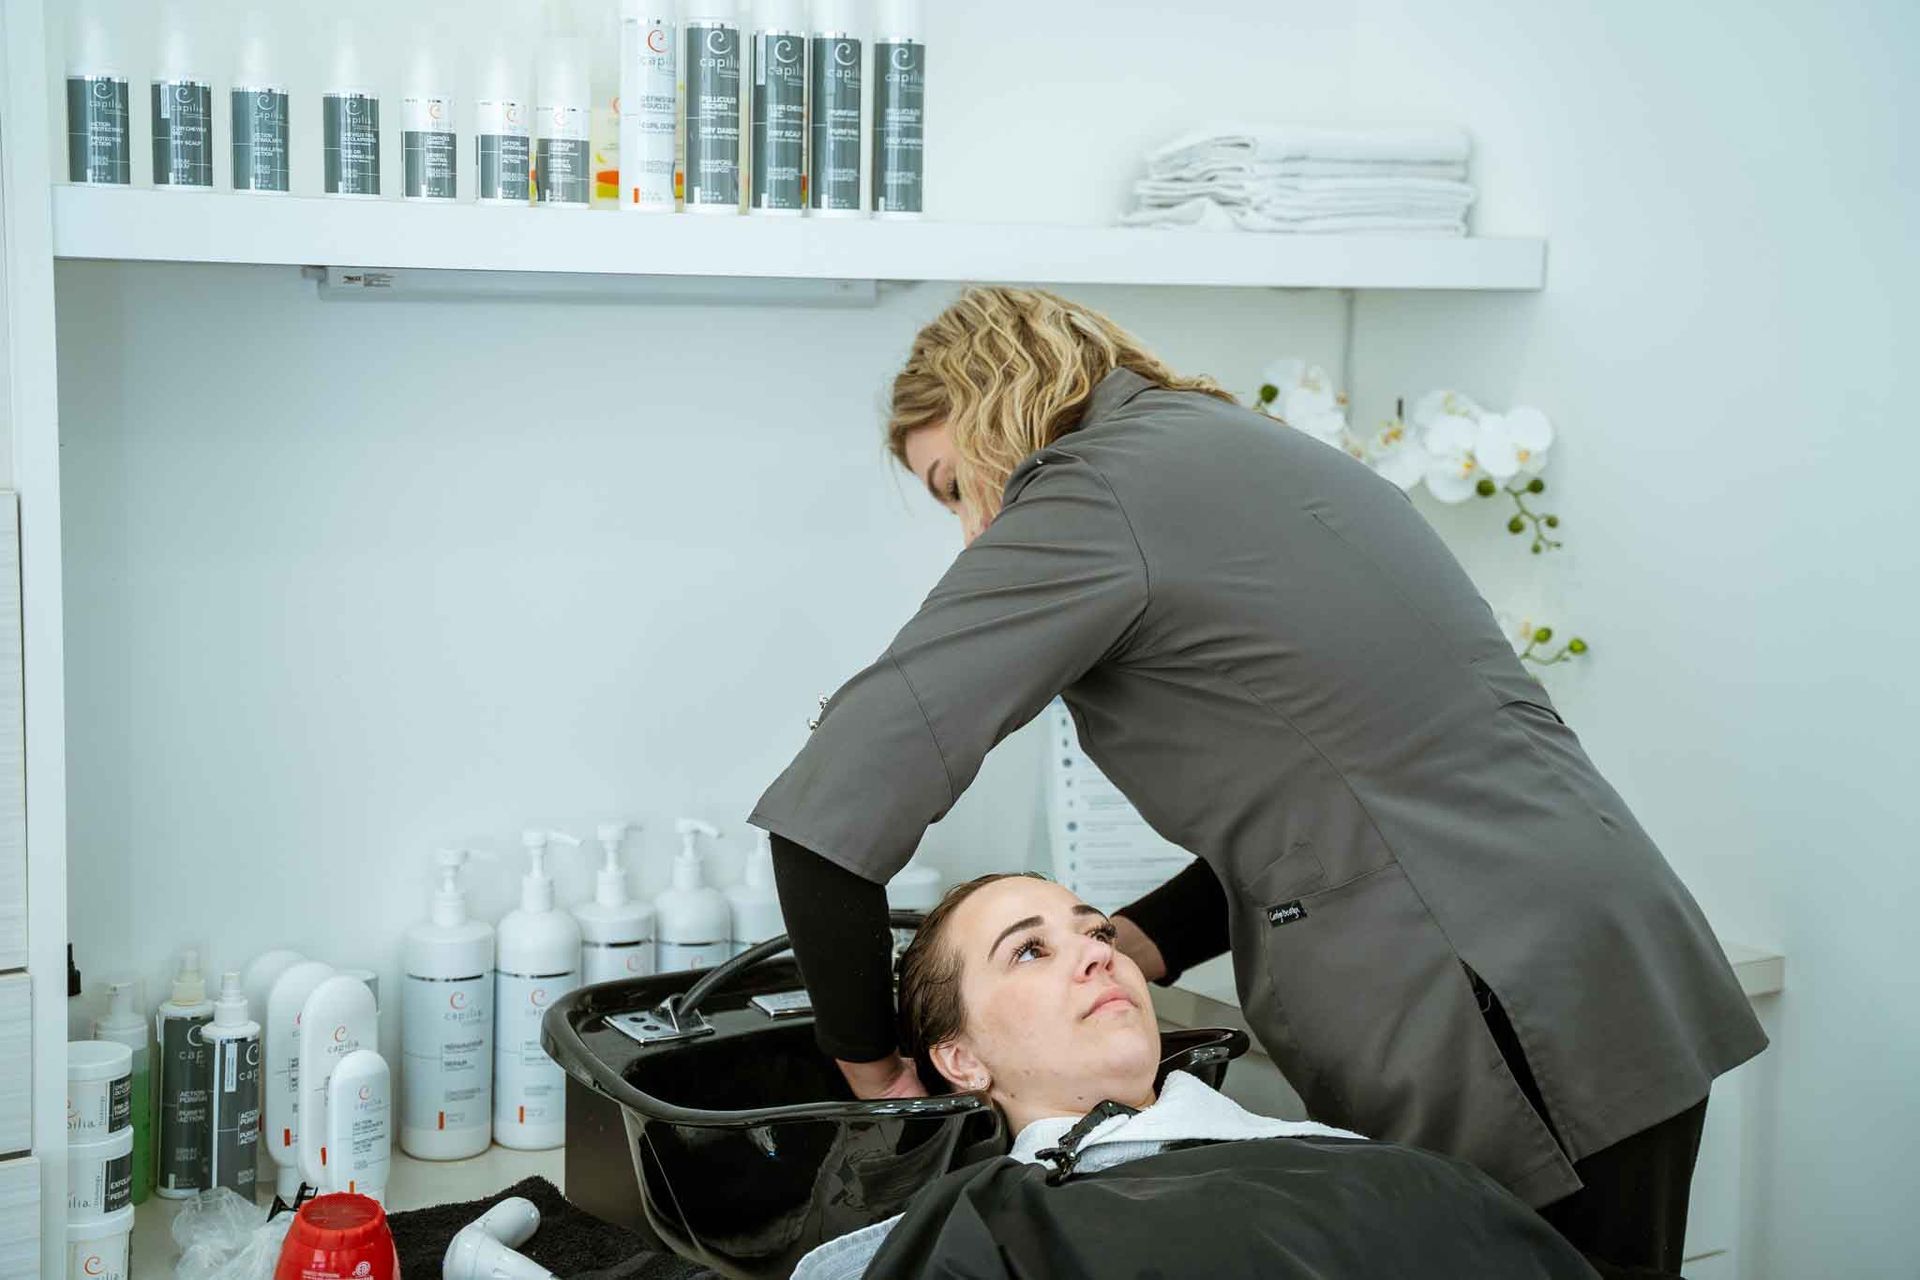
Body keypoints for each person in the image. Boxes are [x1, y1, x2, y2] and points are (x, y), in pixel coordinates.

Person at [753, 286, 1767, 1273]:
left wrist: (872, 1069)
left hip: (1486, 1001)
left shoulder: (1089, 489)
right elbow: (1340, 796)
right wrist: (1125, 944)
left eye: (952, 486)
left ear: (994, 411)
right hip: (1607, 943)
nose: (973, 531)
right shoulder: (1254, 450)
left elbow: (835, 797)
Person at [792, 873, 1607, 1280]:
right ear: (961, 1061)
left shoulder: (1384, 1171)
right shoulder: (985, 1228)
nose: (1099, 954)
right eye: (1030, 950)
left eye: (1097, 933)